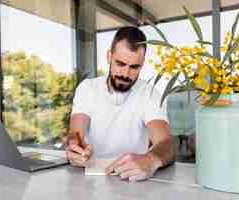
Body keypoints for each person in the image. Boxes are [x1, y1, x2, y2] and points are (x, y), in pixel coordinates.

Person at [66, 26, 175, 182]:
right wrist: (74, 146)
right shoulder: (87, 88)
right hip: (88, 182)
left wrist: (151, 160)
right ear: (109, 57)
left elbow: (166, 143)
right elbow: (75, 134)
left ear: (142, 64)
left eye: (134, 67)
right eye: (120, 64)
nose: (125, 74)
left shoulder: (150, 93)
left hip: (132, 182)